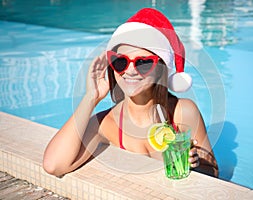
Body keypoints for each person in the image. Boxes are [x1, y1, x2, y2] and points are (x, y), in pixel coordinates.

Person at [43, 8, 218, 178]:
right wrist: (91, 97)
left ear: (161, 69)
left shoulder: (182, 112)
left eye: (143, 63)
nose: (131, 71)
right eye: (121, 62)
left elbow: (214, 172)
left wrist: (194, 165)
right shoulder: (107, 123)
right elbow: (53, 165)